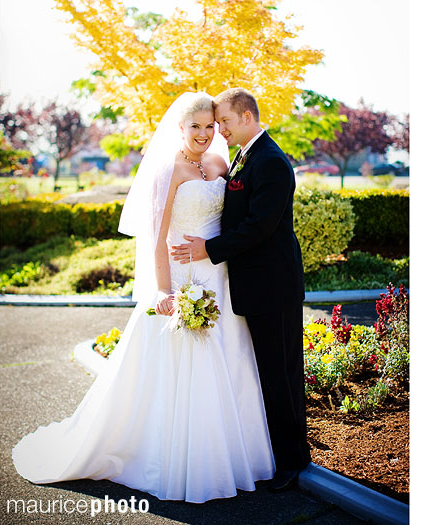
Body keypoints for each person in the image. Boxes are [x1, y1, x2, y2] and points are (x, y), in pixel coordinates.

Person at [11, 92, 275, 503]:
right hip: (183, 278)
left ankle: (237, 455)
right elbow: (156, 238)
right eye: (196, 127)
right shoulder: (168, 171)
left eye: (210, 126)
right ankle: (182, 459)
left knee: (231, 359)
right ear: (180, 128)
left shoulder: (221, 164)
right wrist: (165, 291)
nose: (205, 134)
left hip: (220, 278)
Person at [170, 87, 311, 492]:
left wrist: (208, 249)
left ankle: (291, 462)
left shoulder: (271, 162)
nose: (220, 132)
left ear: (246, 117)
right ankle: (291, 452)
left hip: (273, 286)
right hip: (256, 284)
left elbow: (260, 226)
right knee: (272, 371)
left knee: (280, 373)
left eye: (225, 122)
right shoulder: (245, 156)